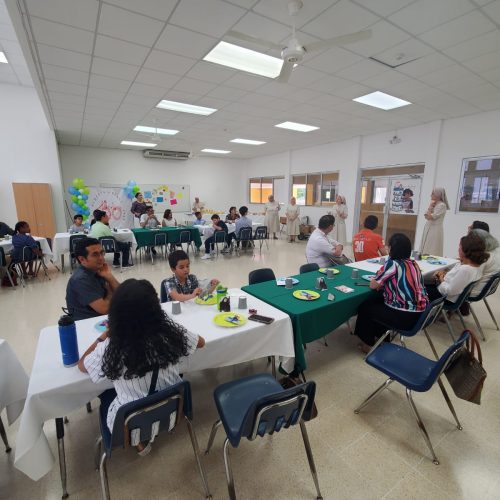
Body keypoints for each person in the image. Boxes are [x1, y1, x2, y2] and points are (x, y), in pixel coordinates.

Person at [78, 278, 205, 456]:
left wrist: (103, 336)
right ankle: (150, 429)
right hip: (173, 413)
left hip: (126, 426)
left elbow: (82, 365)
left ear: (117, 314)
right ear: (155, 309)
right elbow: (201, 342)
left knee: (105, 393)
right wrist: (171, 325)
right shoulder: (169, 333)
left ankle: (138, 441)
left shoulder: (112, 346)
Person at [354, 233, 429, 353]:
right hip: (420, 314)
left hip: (404, 317)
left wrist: (380, 279)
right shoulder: (413, 263)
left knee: (365, 307)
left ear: (391, 249)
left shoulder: (393, 264)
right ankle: (382, 338)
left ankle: (368, 344)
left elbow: (373, 285)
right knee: (379, 302)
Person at [425, 232, 488, 303]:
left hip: (444, 298)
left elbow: (449, 291)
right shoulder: (476, 266)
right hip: (448, 294)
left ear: (466, 251)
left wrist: (441, 278)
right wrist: (444, 275)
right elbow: (456, 280)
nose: (458, 250)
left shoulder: (466, 270)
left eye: (460, 247)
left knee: (417, 287)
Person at [66, 238, 120, 320]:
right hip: (89, 322)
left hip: (102, 317)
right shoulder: (81, 279)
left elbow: (123, 294)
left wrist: (109, 277)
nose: (101, 258)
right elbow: (105, 309)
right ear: (82, 259)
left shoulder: (97, 270)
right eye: (95, 255)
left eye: (102, 253)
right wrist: (110, 293)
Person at [420, 187, 449, 256]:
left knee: (433, 248)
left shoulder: (442, 205)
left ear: (438, 194)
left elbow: (429, 217)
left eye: (432, 193)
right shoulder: (434, 204)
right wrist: (430, 206)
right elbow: (426, 216)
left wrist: (430, 208)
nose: (430, 195)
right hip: (429, 228)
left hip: (435, 230)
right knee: (426, 247)